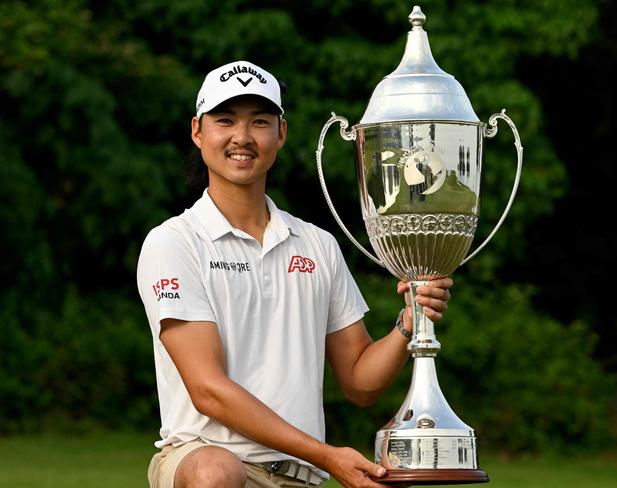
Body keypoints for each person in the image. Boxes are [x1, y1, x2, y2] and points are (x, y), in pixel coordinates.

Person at [137, 60, 453, 488]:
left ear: (281, 134)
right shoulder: (174, 241)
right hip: (203, 461)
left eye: (259, 122)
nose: (242, 137)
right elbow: (207, 389)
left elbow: (360, 383)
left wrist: (407, 324)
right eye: (225, 120)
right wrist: (327, 455)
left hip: (300, 476)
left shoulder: (317, 245)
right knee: (217, 470)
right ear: (198, 131)